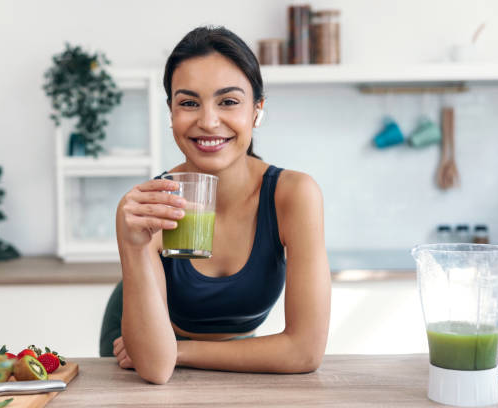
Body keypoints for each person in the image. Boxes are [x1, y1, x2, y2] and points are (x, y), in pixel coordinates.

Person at [99, 25, 330, 385]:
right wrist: (132, 245)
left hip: (221, 349)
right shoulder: (149, 206)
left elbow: (304, 351)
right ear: (171, 113)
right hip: (141, 340)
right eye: (189, 103)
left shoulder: (293, 195)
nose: (207, 122)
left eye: (228, 101)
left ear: (257, 110)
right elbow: (157, 368)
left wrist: (183, 350)